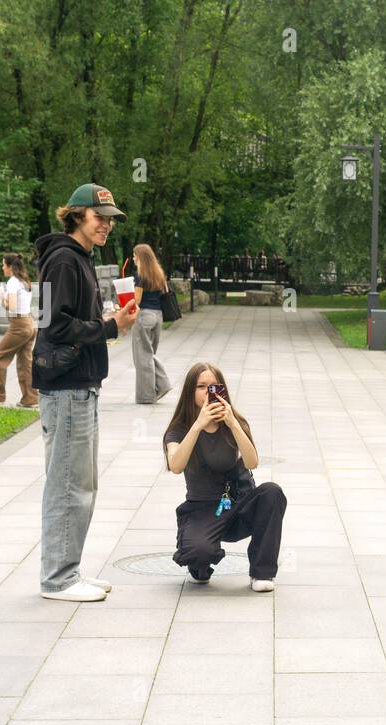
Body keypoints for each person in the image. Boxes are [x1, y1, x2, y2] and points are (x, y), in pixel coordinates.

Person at [33, 183, 140, 602]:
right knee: (68, 485)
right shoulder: (64, 260)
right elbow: (54, 326)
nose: (107, 226)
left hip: (76, 386)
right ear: (77, 215)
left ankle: (68, 571)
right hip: (68, 388)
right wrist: (112, 327)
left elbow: (61, 319)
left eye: (111, 220)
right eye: (101, 218)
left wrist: (108, 319)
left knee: (78, 483)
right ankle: (58, 579)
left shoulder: (73, 258)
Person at [163, 362, 286, 591]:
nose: (208, 392)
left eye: (214, 386)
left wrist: (232, 423)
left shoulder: (234, 422)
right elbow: (175, 465)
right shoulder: (180, 428)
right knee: (199, 554)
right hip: (203, 509)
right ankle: (198, 564)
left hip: (239, 503)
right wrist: (198, 425)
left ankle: (262, 573)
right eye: (201, 386)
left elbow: (252, 462)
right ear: (191, 391)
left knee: (272, 492)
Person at [0, 253, 39, 408]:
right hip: (29, 323)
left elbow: (11, 305)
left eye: (4, 265)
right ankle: (30, 398)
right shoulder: (24, 281)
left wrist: (1, 297)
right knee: (25, 363)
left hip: (19, 325)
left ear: (10, 267)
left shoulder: (12, 282)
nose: (2, 267)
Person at [129, 243, 173, 404]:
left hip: (144, 316)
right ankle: (163, 384)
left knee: (142, 356)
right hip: (158, 316)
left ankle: (146, 396)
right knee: (148, 354)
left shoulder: (140, 275)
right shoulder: (159, 273)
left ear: (140, 257)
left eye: (134, 255)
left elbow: (137, 299)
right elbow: (165, 293)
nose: (133, 258)